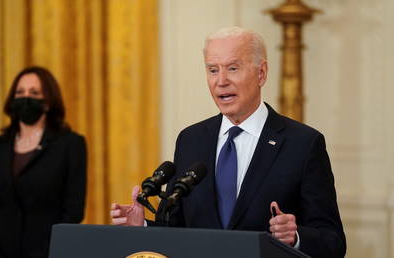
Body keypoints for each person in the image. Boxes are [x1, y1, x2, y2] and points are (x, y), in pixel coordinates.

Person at [110, 27, 346, 258]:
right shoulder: (191, 140)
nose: (221, 81)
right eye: (213, 70)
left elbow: (333, 242)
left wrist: (295, 237)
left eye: (233, 68)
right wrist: (142, 227)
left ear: (261, 73)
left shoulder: (302, 144)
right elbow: (174, 227)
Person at [0, 66, 87, 258]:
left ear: (48, 102)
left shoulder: (70, 144)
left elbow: (73, 211)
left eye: (34, 93)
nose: (26, 97)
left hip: (48, 253)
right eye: (20, 92)